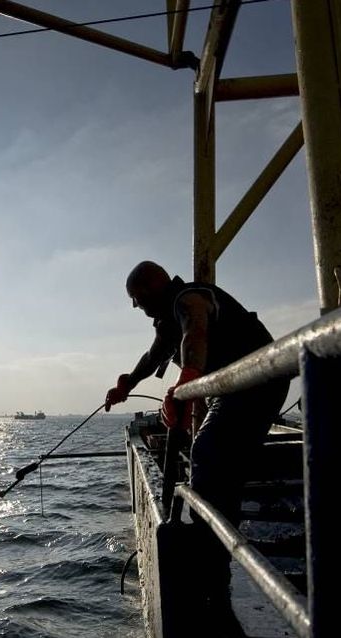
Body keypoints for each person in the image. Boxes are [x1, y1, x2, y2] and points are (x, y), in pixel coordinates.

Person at [105, 260, 289, 632]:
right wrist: (127, 382)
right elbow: (154, 355)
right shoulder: (168, 318)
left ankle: (212, 567)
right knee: (215, 456)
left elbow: (196, 331)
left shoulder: (188, 298)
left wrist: (187, 379)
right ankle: (213, 546)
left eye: (136, 300)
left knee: (208, 452)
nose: (137, 308)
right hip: (228, 386)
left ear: (148, 290)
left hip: (256, 378)